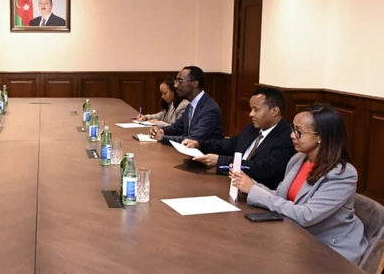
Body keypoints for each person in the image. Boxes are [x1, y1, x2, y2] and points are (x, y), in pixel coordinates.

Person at [230, 104, 368, 264]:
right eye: (293, 129)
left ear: (321, 137)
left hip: (329, 248)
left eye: (299, 132)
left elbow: (306, 215)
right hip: (293, 236)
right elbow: (280, 196)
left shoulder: (342, 174)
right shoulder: (298, 159)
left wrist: (254, 191)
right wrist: (249, 184)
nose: (292, 135)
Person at [182, 87, 295, 189]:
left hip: (258, 191)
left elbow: (265, 169)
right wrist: (199, 144)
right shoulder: (251, 129)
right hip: (230, 183)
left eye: (256, 110)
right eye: (251, 109)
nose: (251, 114)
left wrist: (219, 161)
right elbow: (228, 144)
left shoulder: (287, 137)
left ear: (274, 111)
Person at [149, 66, 224, 144]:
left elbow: (192, 139)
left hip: (203, 151)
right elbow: (178, 127)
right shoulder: (190, 105)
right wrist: (160, 130)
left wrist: (162, 138)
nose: (175, 85)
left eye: (180, 81)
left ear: (195, 84)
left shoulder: (209, 109)